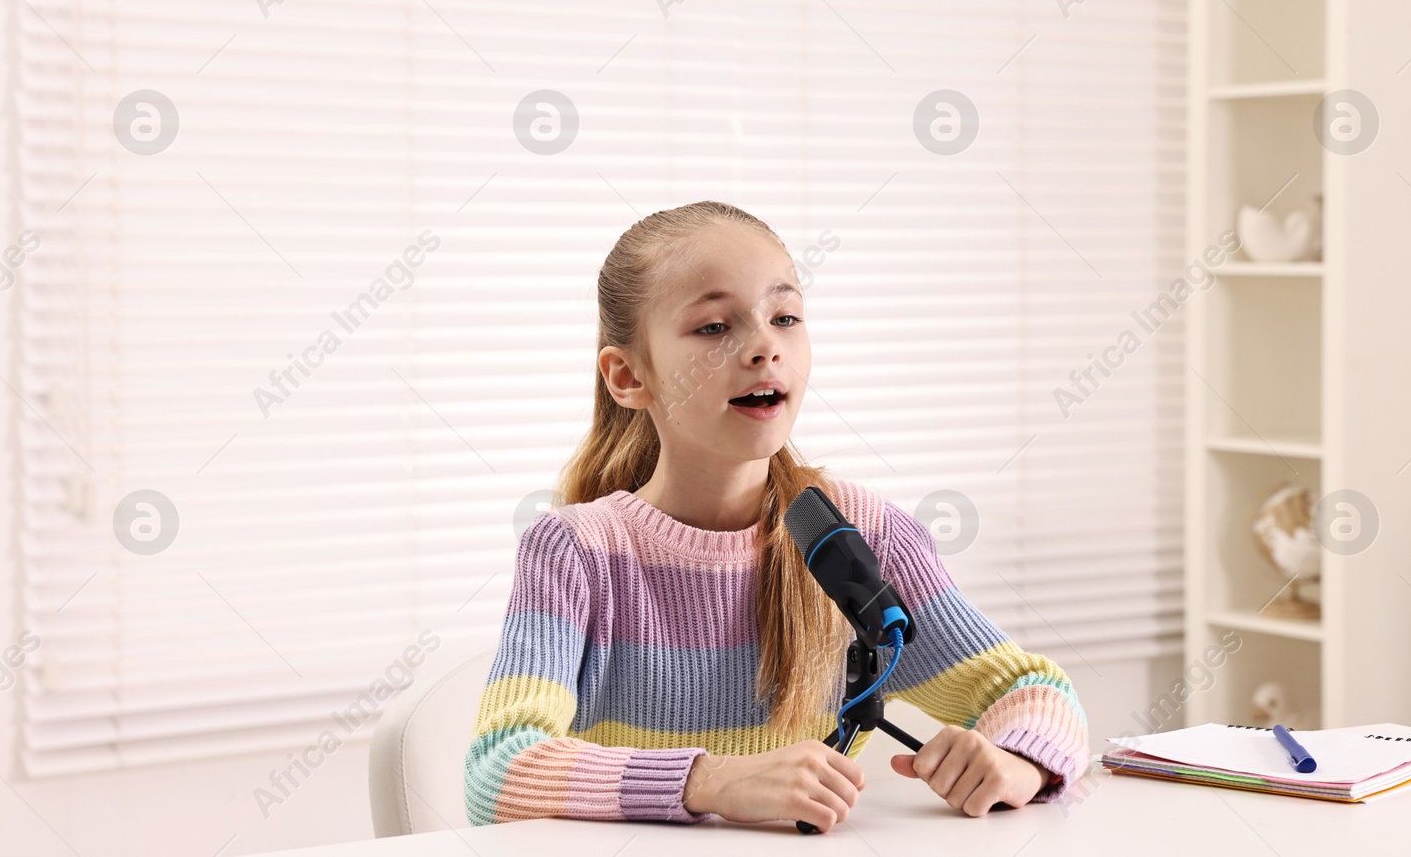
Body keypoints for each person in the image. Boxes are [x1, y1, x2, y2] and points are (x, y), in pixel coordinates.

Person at [463, 201, 1088, 829]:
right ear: (628, 376)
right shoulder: (576, 552)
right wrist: (709, 782)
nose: (765, 345)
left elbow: (1034, 692)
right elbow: (497, 773)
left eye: (784, 317)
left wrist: (1017, 763)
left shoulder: (862, 535)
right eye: (713, 328)